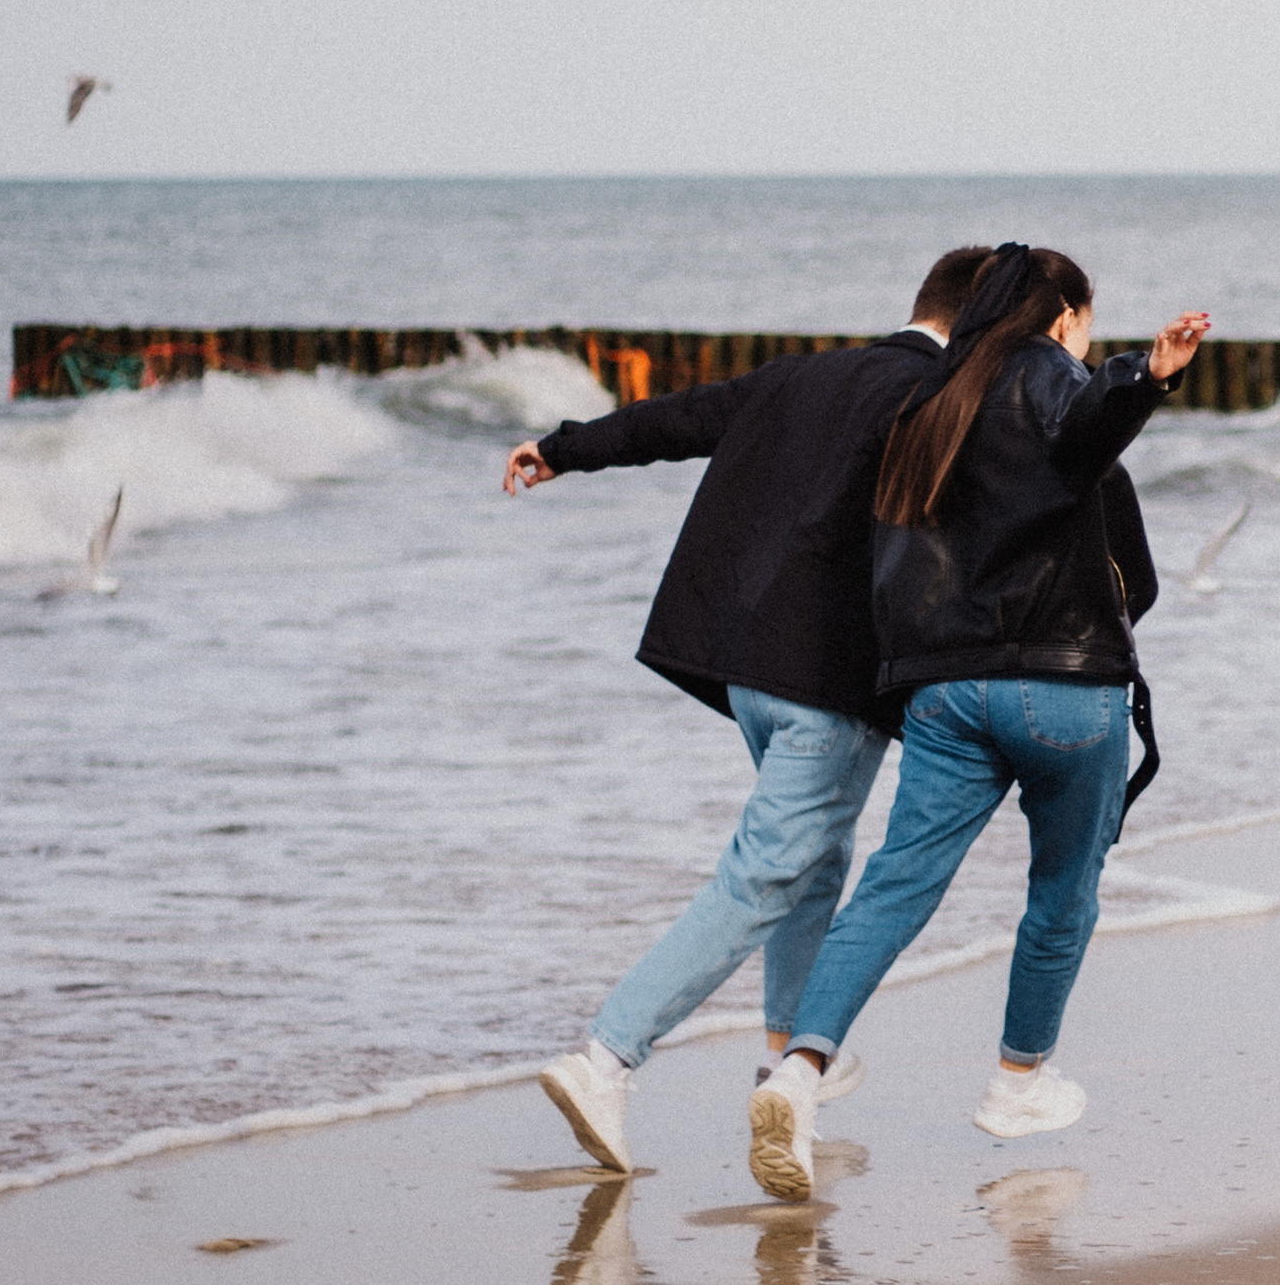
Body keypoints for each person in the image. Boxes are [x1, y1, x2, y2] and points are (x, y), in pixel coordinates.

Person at [501, 245, 994, 1173]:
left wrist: (563, 449)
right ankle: (605, 1056)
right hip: (826, 680)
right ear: (974, 325)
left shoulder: (803, 376)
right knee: (769, 869)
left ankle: (784, 1062)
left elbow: (680, 419)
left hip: (746, 670)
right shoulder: (931, 403)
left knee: (814, 855)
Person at [748, 244, 1208, 1194]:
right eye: (1089, 324)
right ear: (1066, 317)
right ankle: (1017, 1083)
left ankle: (797, 1070)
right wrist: (1144, 376)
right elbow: (1099, 464)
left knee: (893, 888)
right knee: (1061, 893)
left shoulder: (928, 408)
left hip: (946, 695)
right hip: (1065, 692)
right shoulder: (1053, 380)